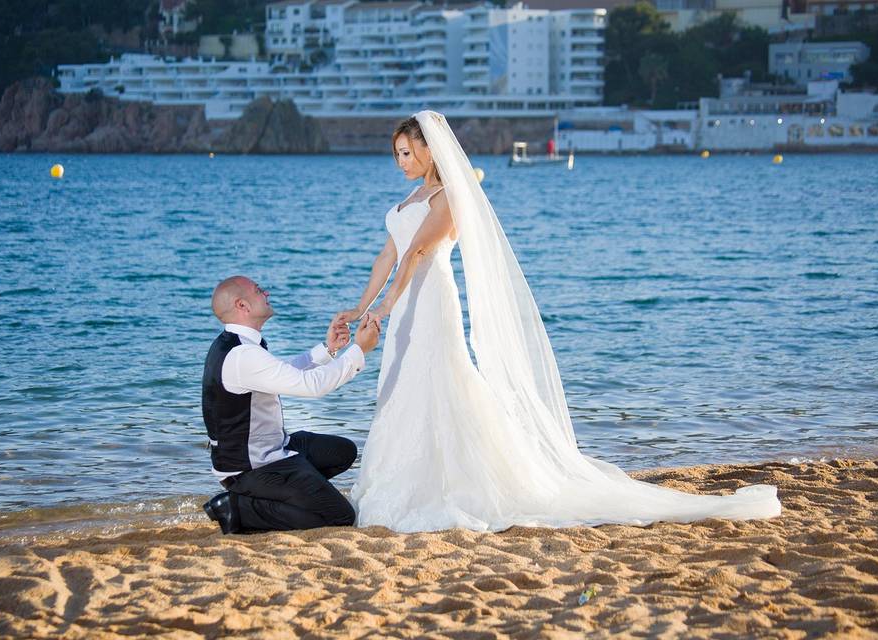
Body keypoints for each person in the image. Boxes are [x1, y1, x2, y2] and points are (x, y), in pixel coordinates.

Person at [334, 112, 781, 533]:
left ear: (430, 151)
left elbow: (417, 253)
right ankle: (402, 477)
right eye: (396, 154)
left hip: (430, 301)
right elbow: (388, 254)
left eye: (407, 153)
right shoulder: (408, 200)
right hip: (406, 304)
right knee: (403, 384)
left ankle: (449, 484)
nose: (401, 161)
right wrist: (360, 308)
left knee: (440, 381)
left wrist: (389, 303)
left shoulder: (447, 196)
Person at [201, 276, 381, 534]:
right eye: (258, 290)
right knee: (340, 515)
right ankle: (240, 507)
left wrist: (328, 349)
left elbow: (283, 372)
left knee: (343, 452)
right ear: (243, 306)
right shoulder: (242, 355)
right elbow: (311, 386)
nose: (266, 292)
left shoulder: (240, 345)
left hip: (274, 450)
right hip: (251, 469)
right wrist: (359, 351)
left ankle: (295, 492)